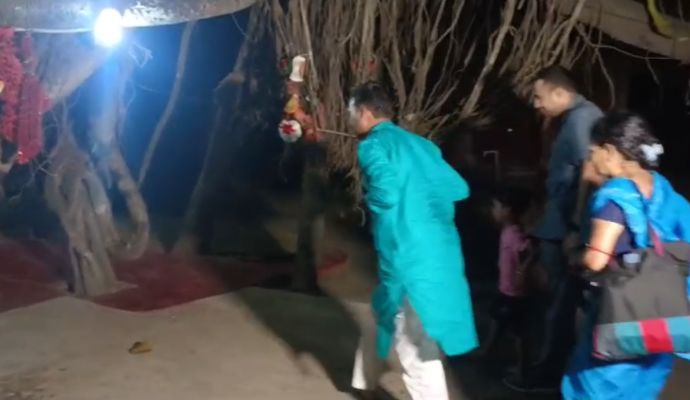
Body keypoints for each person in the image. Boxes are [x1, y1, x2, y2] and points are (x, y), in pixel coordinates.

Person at [347, 82, 477, 399]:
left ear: (364, 112)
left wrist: (370, 200)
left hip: (407, 253)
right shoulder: (423, 145)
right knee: (381, 313)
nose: (349, 120)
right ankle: (364, 383)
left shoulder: (371, 146)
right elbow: (458, 188)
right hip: (441, 250)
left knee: (415, 344)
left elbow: (386, 193)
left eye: (351, 113)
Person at [561, 111, 690, 399]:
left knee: (596, 387)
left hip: (624, 314)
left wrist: (573, 254)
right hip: (663, 314)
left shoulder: (616, 195)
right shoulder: (665, 190)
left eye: (593, 152)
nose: (591, 159)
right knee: (642, 386)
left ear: (609, 151)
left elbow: (596, 259)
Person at [505, 65, 604, 392]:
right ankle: (552, 368)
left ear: (560, 93)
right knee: (555, 303)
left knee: (558, 306)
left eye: (539, 97)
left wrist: (575, 225)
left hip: (566, 228)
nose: (536, 104)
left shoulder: (581, 121)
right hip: (559, 223)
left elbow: (589, 173)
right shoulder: (575, 118)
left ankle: (550, 374)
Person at [481, 188, 533, 374]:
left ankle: (522, 369)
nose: (493, 211)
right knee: (497, 318)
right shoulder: (508, 231)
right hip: (507, 289)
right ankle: (487, 351)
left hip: (515, 293)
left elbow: (528, 251)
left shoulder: (514, 234)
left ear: (508, 210)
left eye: (496, 207)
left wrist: (521, 272)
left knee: (518, 331)